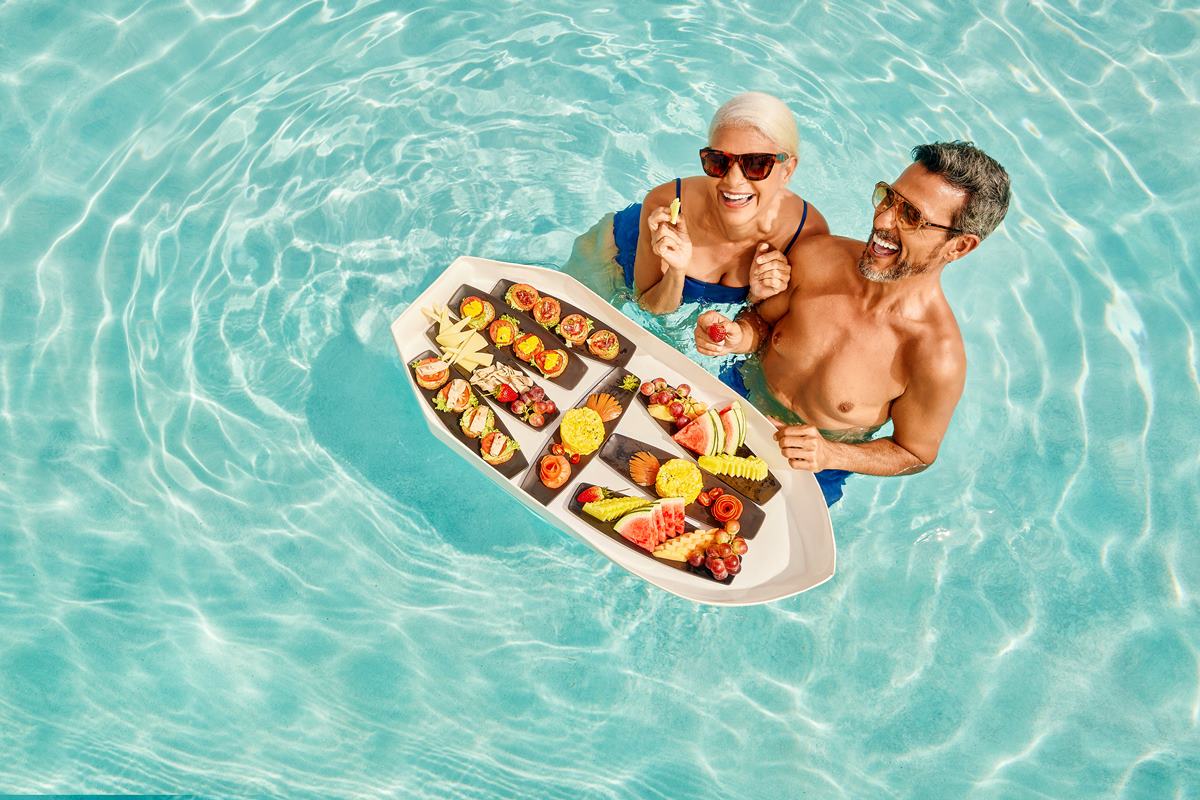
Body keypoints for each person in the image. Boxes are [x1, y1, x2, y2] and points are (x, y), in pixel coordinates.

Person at [694, 141, 1011, 506]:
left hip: (809, 471)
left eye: (911, 216)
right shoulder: (818, 258)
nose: (882, 221)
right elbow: (760, 324)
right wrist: (737, 336)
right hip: (732, 400)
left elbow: (914, 453)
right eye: (888, 198)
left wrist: (831, 454)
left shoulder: (934, 356)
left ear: (958, 247)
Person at [562, 92, 827, 371]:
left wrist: (757, 298)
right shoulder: (665, 202)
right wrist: (676, 270)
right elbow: (648, 306)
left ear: (787, 170)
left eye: (756, 164)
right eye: (719, 161)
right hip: (619, 253)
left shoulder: (805, 234)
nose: (733, 180)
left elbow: (776, 333)